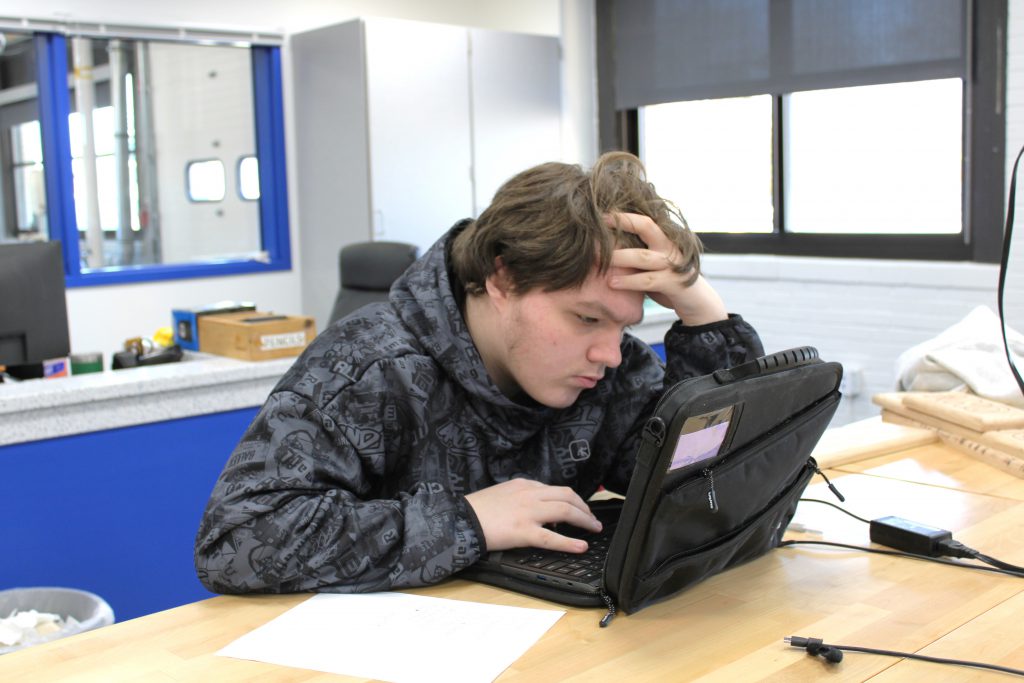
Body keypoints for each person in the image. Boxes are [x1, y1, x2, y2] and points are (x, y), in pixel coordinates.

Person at [194, 151, 764, 594]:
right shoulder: (368, 366)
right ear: (503, 279)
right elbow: (236, 540)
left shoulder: (609, 369)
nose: (609, 353)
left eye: (622, 327)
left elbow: (711, 486)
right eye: (586, 318)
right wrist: (466, 521)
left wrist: (700, 310)